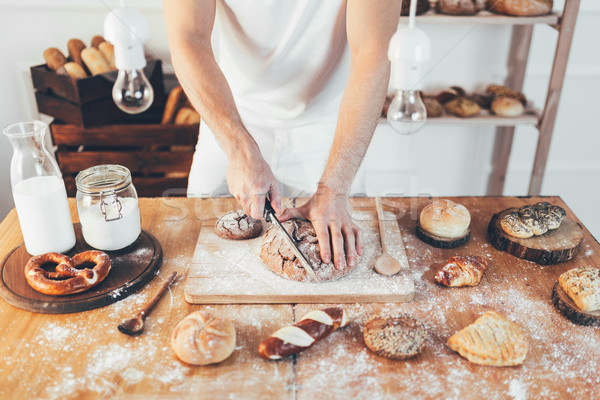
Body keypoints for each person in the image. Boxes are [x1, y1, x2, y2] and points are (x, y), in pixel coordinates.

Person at [163, 0, 400, 271]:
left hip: (330, 130)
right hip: (231, 119)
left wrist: (335, 187)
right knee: (204, 260)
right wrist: (239, 149)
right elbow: (188, 38)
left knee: (342, 259)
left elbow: (372, 54)